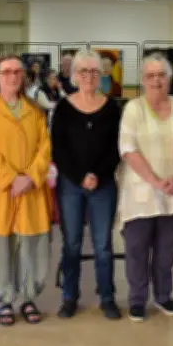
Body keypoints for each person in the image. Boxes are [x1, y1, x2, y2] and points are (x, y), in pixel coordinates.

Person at [0, 54, 52, 326]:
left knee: (31, 245)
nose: (13, 77)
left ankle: (29, 297)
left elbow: (45, 147)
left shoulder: (35, 110)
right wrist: (10, 178)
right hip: (0, 190)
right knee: (1, 246)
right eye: (6, 72)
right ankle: (4, 299)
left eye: (17, 72)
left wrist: (30, 176)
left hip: (31, 189)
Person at [51, 48, 122, 320]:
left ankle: (107, 296)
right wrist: (80, 176)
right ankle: (69, 296)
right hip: (71, 184)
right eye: (83, 71)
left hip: (103, 185)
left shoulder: (112, 108)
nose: (89, 76)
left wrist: (97, 175)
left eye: (94, 71)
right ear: (74, 75)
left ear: (101, 74)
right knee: (72, 243)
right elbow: (59, 149)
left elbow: (116, 149)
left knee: (103, 245)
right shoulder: (64, 108)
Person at [118, 54, 173, 322]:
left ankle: (163, 296)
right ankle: (137, 300)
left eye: (161, 75)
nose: (156, 81)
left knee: (166, 252)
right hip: (140, 193)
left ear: (170, 78)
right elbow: (127, 149)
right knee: (136, 251)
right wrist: (156, 181)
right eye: (150, 76)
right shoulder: (133, 109)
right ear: (142, 80)